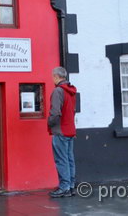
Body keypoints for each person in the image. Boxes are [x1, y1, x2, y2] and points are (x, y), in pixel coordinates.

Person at [47, 66, 77, 198]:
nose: (52, 78)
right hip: (70, 129)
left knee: (61, 160)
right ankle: (71, 186)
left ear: (56, 76)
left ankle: (64, 187)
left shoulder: (58, 91)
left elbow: (55, 112)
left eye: (53, 76)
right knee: (69, 159)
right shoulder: (71, 91)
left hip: (61, 130)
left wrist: (49, 123)